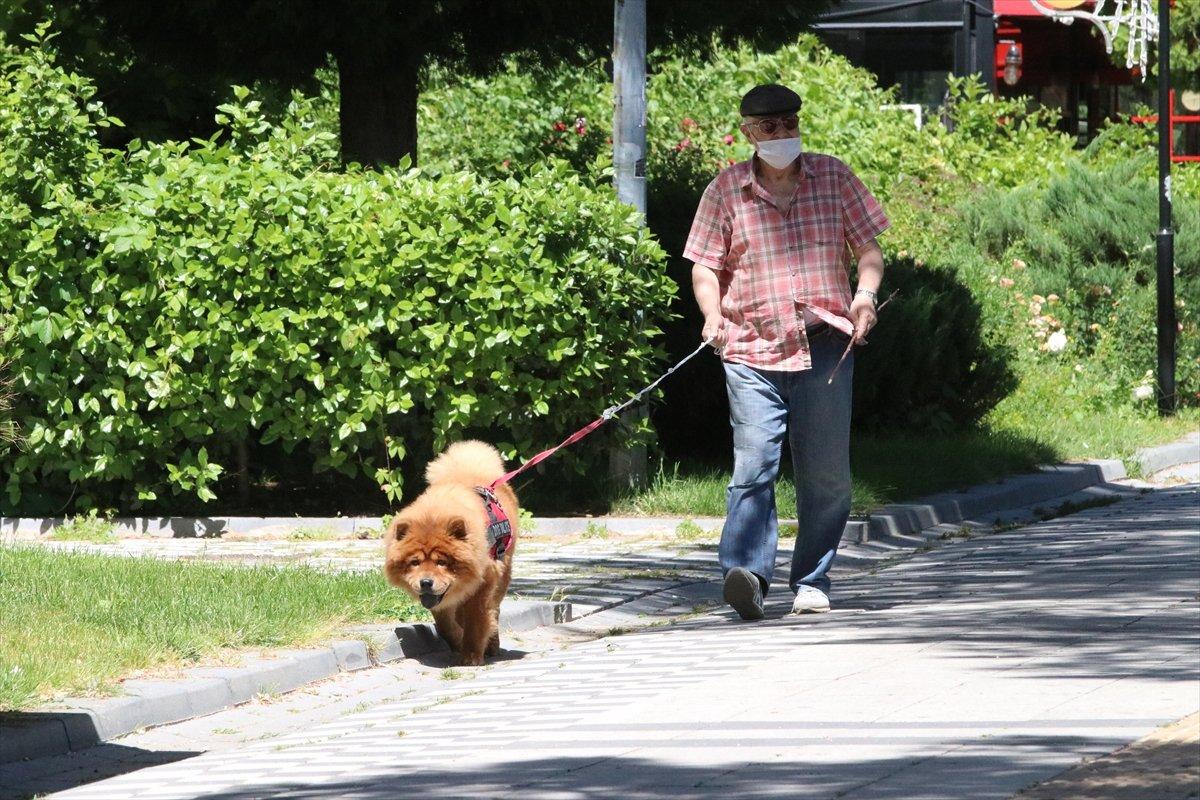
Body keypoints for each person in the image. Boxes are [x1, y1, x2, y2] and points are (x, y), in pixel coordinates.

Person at [683, 83, 889, 620]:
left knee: (825, 473)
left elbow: (867, 249)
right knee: (754, 466)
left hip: (824, 347)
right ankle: (747, 575)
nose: (783, 135)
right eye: (770, 128)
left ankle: (813, 580)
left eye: (791, 124)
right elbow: (705, 266)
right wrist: (711, 315)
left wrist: (864, 297)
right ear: (748, 132)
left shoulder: (834, 176)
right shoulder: (725, 191)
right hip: (750, 348)